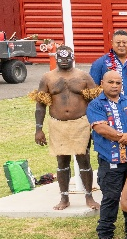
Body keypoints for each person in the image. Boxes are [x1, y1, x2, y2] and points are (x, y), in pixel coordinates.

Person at [33, 45, 100, 210]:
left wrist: (96, 123)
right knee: (62, 161)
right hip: (58, 124)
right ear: (56, 59)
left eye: (67, 59)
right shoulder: (47, 78)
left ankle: (89, 196)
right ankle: (64, 198)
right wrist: (38, 129)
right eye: (61, 59)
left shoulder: (83, 76)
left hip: (80, 123)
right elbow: (40, 105)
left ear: (73, 58)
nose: (64, 62)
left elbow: (96, 102)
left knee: (83, 159)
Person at [88, 70, 127, 239]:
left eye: (118, 83)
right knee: (111, 197)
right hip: (110, 158)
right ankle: (105, 234)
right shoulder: (96, 105)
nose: (114, 86)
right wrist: (126, 137)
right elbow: (101, 129)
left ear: (122, 84)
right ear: (102, 83)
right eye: (110, 82)